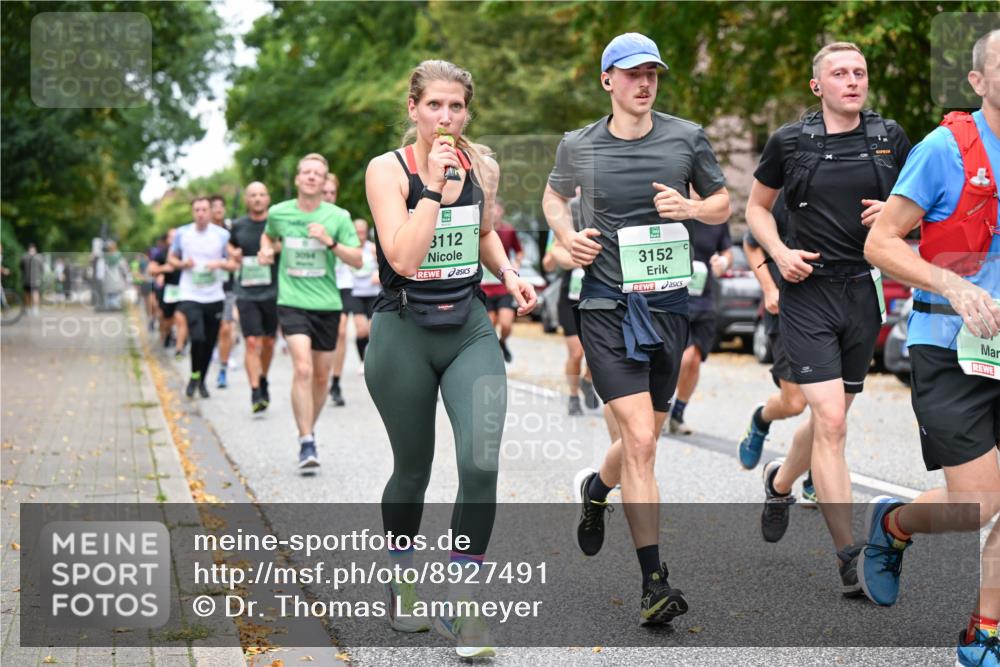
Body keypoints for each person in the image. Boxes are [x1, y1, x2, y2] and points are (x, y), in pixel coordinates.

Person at [543, 33, 731, 625]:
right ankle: (655, 584)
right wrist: (564, 235)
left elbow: (724, 202)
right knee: (646, 444)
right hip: (604, 306)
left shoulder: (686, 136)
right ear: (608, 81)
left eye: (652, 72)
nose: (643, 82)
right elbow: (553, 198)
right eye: (631, 73)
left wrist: (693, 209)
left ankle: (596, 491)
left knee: (635, 442)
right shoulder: (579, 144)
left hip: (669, 308)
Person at [364, 59, 536, 657]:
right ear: (412, 107)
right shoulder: (386, 170)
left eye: (456, 107)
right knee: (413, 469)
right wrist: (434, 187)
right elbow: (406, 257)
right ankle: (403, 576)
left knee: (480, 460)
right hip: (403, 332)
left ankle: (466, 607)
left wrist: (509, 273)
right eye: (434, 105)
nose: (446, 118)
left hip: (467, 328)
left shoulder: (478, 163)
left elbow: (483, 229)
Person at [746, 41, 911, 595]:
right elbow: (755, 208)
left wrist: (896, 217)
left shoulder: (890, 139)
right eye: (839, 73)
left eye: (859, 72)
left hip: (862, 292)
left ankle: (781, 480)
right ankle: (850, 556)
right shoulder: (790, 141)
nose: (852, 80)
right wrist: (780, 255)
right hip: (807, 291)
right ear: (817, 86)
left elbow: (921, 211)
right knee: (832, 421)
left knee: (827, 418)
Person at [863, 29, 1000, 666]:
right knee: (977, 502)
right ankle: (893, 526)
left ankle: (986, 633)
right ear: (977, 81)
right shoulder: (945, 148)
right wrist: (952, 281)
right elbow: (883, 242)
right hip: (951, 342)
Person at [259, 153, 362, 472]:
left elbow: (357, 260)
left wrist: (329, 242)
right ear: (297, 179)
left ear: (325, 180)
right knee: (302, 368)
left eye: (318, 173)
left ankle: (308, 428)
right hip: (291, 300)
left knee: (320, 377)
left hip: (327, 304)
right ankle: (306, 441)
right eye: (306, 172)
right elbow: (269, 234)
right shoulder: (279, 212)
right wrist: (265, 248)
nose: (312, 177)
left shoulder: (338, 217)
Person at [737, 193, 815, 503]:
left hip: (834, 308)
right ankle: (761, 419)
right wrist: (769, 288)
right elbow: (751, 242)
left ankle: (816, 474)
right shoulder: (789, 193)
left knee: (831, 405)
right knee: (795, 402)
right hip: (787, 308)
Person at [666, 219, 733, 435]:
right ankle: (661, 403)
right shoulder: (672, 212)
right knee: (681, 357)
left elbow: (727, 251)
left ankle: (677, 413)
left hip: (704, 300)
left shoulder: (717, 218)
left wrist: (723, 262)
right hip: (673, 298)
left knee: (694, 359)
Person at [541, 199, 600, 416]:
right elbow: (554, 255)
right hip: (570, 297)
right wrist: (584, 260)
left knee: (596, 352)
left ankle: (587, 380)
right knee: (576, 353)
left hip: (596, 296)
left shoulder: (603, 218)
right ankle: (574, 396)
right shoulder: (563, 223)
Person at [168, 197, 231, 399]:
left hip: (214, 295)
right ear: (192, 212)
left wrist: (220, 264)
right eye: (197, 210)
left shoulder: (222, 235)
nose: (201, 213)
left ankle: (201, 379)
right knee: (198, 337)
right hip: (190, 293)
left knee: (210, 341)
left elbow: (233, 262)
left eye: (205, 209)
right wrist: (183, 263)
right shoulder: (182, 233)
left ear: (210, 212)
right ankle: (194, 374)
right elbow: (171, 258)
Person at [227, 182, 279, 414]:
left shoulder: (276, 223)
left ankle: (263, 377)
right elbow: (229, 246)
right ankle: (256, 391)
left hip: (273, 291)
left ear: (268, 198)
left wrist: (274, 249)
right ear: (247, 200)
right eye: (253, 195)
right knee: (251, 341)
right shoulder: (238, 225)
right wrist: (233, 254)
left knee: (268, 342)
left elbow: (288, 244)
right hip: (246, 292)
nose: (257, 199)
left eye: (261, 194)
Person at [324, 173, 356, 405]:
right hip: (317, 283)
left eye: (332, 193)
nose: (328, 196)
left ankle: (335, 382)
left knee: (342, 331)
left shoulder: (342, 216)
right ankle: (320, 377)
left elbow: (353, 250)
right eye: (324, 192)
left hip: (342, 281)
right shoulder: (308, 216)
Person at [479, 199, 523, 363]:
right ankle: (492, 355)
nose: (494, 213)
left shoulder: (508, 231)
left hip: (504, 286)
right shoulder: (478, 230)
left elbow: (519, 252)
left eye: (497, 209)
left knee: (506, 323)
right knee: (490, 324)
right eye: (491, 209)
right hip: (485, 287)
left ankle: (503, 342)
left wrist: (515, 265)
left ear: (502, 211)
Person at [210, 194, 239, 388]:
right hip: (205, 287)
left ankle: (223, 368)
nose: (219, 209)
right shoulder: (202, 232)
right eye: (215, 206)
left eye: (222, 206)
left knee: (226, 327)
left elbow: (237, 257)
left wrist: (227, 263)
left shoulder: (231, 232)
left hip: (227, 286)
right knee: (210, 330)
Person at [347, 218, 380, 372]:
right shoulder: (349, 249)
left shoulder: (372, 248)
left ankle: (371, 360)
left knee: (372, 329)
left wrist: (378, 274)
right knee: (361, 329)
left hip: (372, 292)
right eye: (357, 232)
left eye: (362, 232)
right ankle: (362, 360)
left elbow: (387, 265)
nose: (360, 235)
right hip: (356, 292)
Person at [20, 243, 42, 316]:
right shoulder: (39, 257)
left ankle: (28, 309)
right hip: (36, 279)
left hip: (27, 279)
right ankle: (35, 309)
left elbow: (21, 267)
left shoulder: (24, 257)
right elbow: (42, 268)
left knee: (27, 294)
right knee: (35, 293)